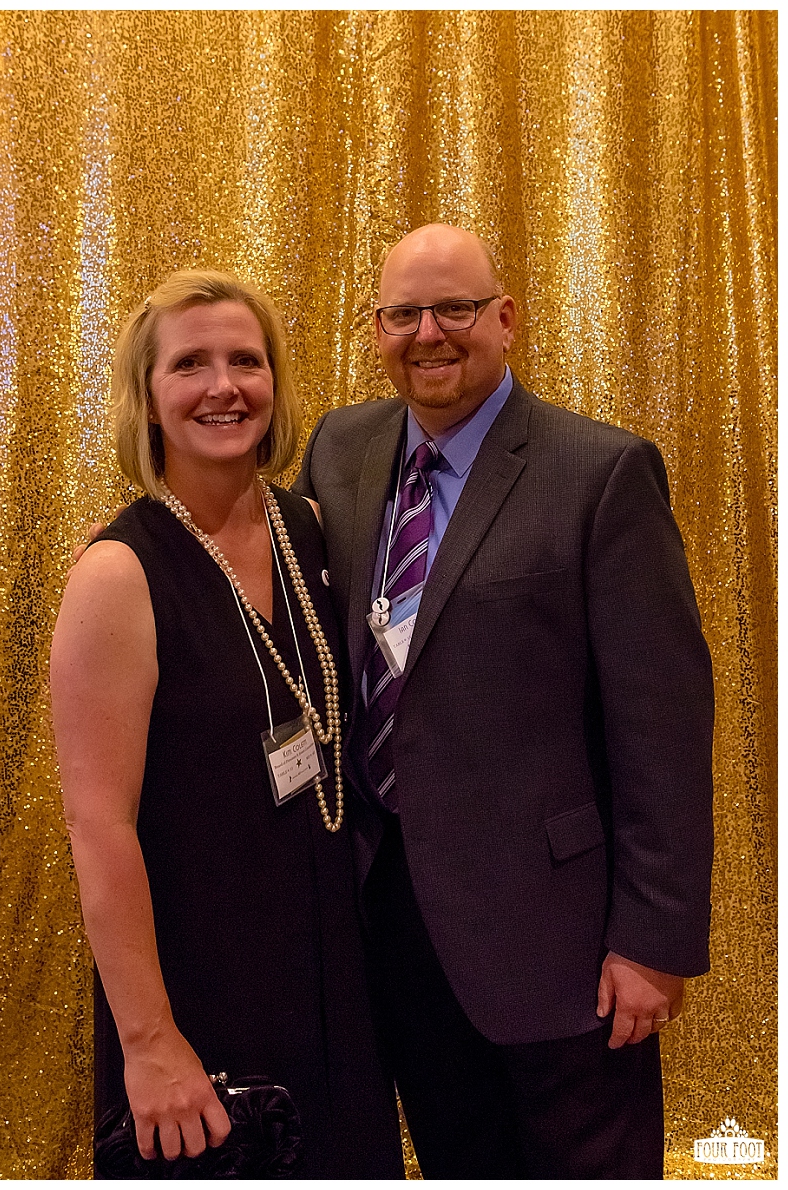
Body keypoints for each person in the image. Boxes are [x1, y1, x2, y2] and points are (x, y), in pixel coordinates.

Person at [292, 223, 715, 1178]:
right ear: (377, 329)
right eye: (404, 314)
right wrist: (150, 540)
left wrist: (652, 942)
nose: (429, 334)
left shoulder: (601, 473)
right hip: (391, 921)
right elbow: (271, 562)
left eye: (456, 309)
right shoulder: (341, 447)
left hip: (561, 942)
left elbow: (665, 727)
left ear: (506, 319)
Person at [50, 269, 404, 1179]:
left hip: (334, 982)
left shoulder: (311, 529)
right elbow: (98, 825)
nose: (224, 387)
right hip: (197, 997)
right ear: (147, 397)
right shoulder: (117, 576)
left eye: (246, 360)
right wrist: (149, 1040)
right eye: (190, 364)